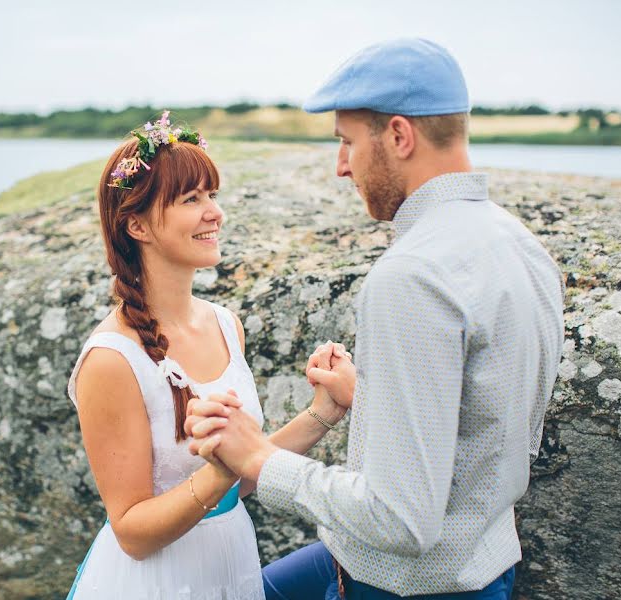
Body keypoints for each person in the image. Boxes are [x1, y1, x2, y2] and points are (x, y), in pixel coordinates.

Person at [186, 38, 566, 599]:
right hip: (483, 564)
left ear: (398, 135)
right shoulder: (520, 244)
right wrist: (370, 393)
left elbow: (401, 520)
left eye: (346, 142)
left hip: (404, 585)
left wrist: (260, 458)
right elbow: (491, 420)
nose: (341, 167)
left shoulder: (412, 275)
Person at [65, 111, 354, 599]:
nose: (214, 213)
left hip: (230, 564)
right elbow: (132, 532)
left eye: (212, 195)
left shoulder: (226, 324)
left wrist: (324, 411)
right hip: (155, 583)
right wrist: (223, 469)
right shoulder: (112, 359)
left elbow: (242, 477)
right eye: (191, 199)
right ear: (136, 224)